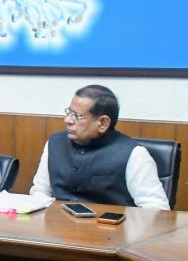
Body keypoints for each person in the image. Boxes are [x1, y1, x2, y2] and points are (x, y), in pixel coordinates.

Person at [29, 85, 169, 209]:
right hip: (58, 227)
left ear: (103, 123)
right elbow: (40, 191)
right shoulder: (55, 143)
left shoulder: (134, 154)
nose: (68, 120)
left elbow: (156, 209)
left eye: (77, 116)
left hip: (110, 229)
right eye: (69, 112)